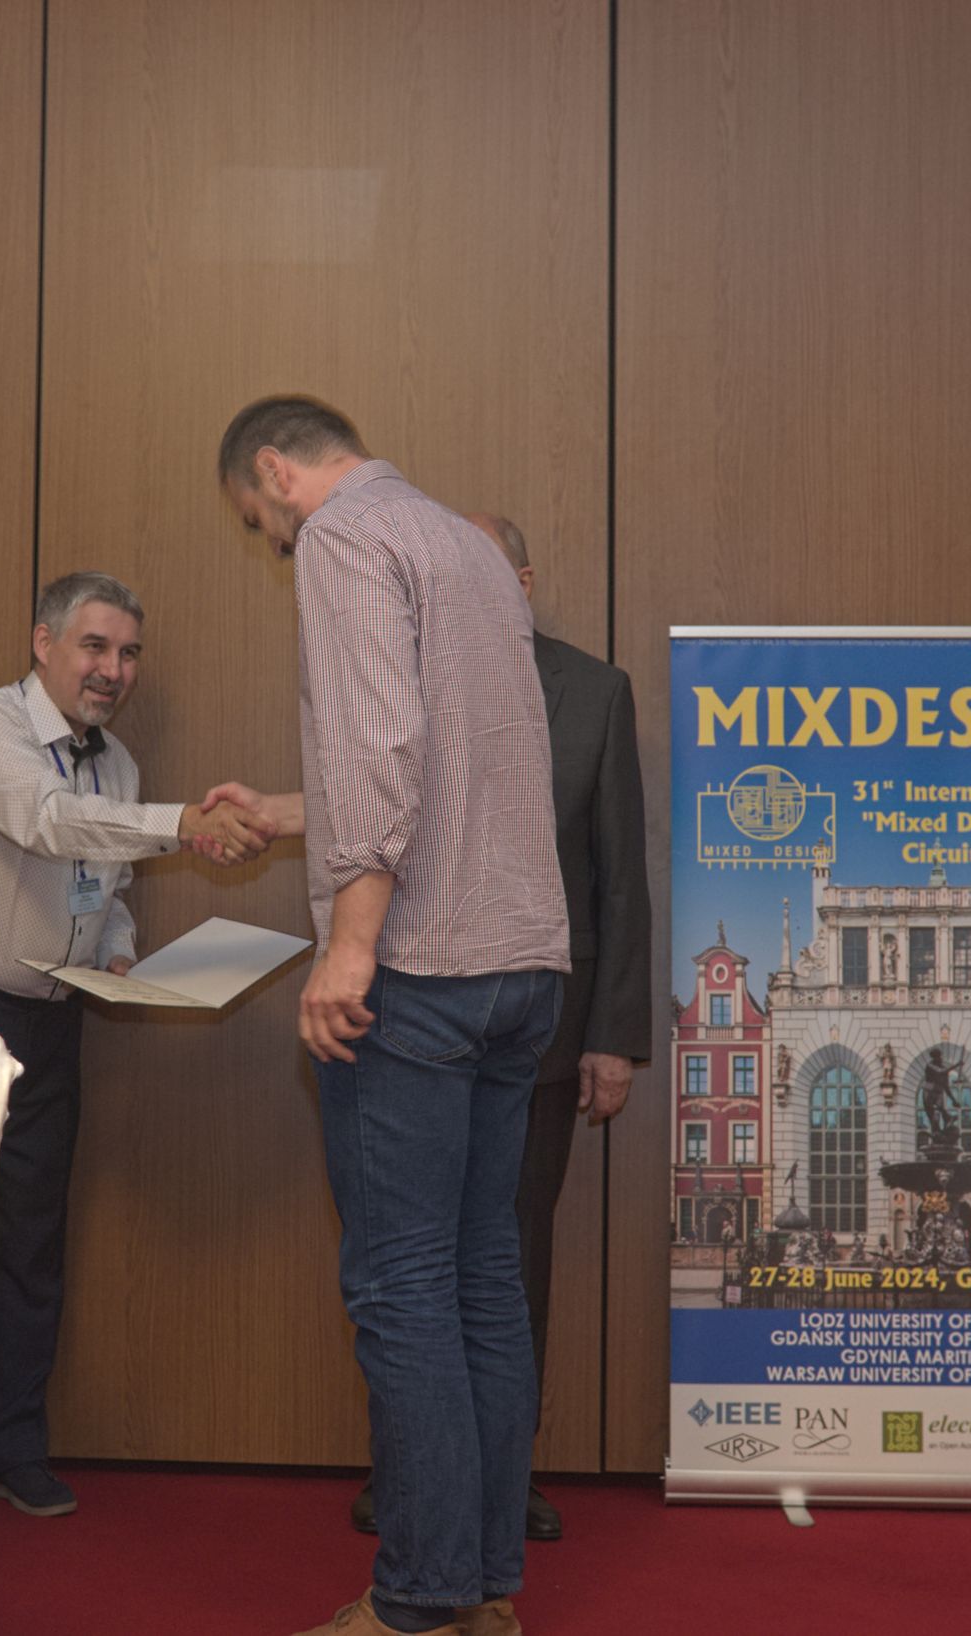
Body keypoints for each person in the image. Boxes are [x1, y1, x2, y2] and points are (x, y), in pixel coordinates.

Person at [215, 396, 567, 1636]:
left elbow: (380, 748)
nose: (274, 543)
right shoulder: (466, 543)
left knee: (404, 1285)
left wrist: (349, 947)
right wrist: (283, 807)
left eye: (258, 520)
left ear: (276, 470)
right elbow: (451, 760)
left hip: (420, 968)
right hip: (522, 965)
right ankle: (482, 1592)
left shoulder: (343, 535)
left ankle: (417, 1599)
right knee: (482, 1278)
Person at [0, 570, 271, 1531]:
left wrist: (118, 953)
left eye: (129, 653)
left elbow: (107, 887)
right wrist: (183, 825)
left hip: (52, 1018)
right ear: (44, 643)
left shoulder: (123, 766)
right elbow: (49, 820)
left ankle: (12, 1451)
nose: (113, 670)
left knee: (29, 1244)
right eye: (95, 647)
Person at [331, 511, 647, 1546]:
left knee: (509, 1258)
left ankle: (505, 1484)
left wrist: (613, 1035)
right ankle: (411, 1479)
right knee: (411, 1264)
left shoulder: (593, 690)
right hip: (410, 1011)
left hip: (539, 1032)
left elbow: (618, 876)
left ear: (521, 579)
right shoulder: (399, 678)